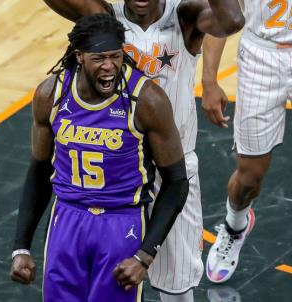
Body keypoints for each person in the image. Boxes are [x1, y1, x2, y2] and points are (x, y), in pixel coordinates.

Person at [43, 0, 245, 300]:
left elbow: (231, 22)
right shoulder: (106, 16)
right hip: (118, 173)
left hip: (171, 170)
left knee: (176, 290)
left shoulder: (185, 14)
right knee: (105, 287)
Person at [10, 14, 190, 302]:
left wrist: (145, 255)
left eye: (115, 56)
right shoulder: (51, 94)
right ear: (80, 56)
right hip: (67, 219)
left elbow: (177, 182)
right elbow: (40, 170)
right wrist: (21, 247)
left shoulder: (147, 100)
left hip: (121, 222)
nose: (109, 67)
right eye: (99, 59)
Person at [201, 1, 292, 301]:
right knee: (249, 177)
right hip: (260, 56)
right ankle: (234, 225)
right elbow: (222, 9)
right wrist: (209, 79)